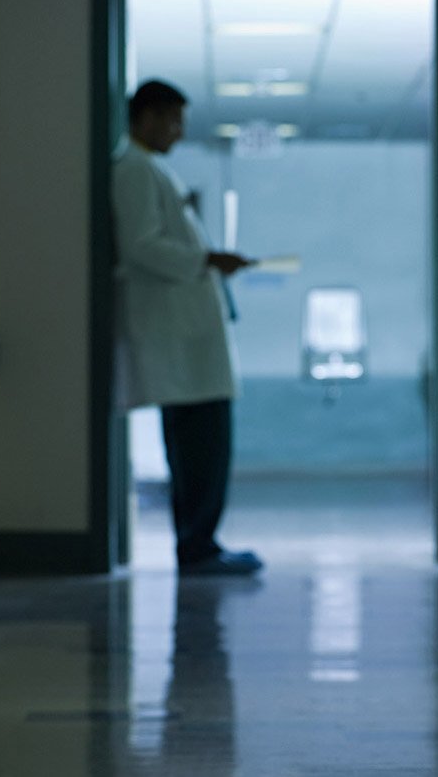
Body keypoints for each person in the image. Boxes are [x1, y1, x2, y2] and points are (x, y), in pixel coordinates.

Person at [111, 80, 263, 576]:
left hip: (186, 336)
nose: (178, 132)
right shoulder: (133, 171)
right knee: (201, 447)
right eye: (173, 120)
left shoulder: (149, 171)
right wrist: (206, 259)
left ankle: (200, 542)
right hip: (178, 338)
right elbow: (141, 247)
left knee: (201, 445)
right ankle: (198, 546)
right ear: (147, 117)